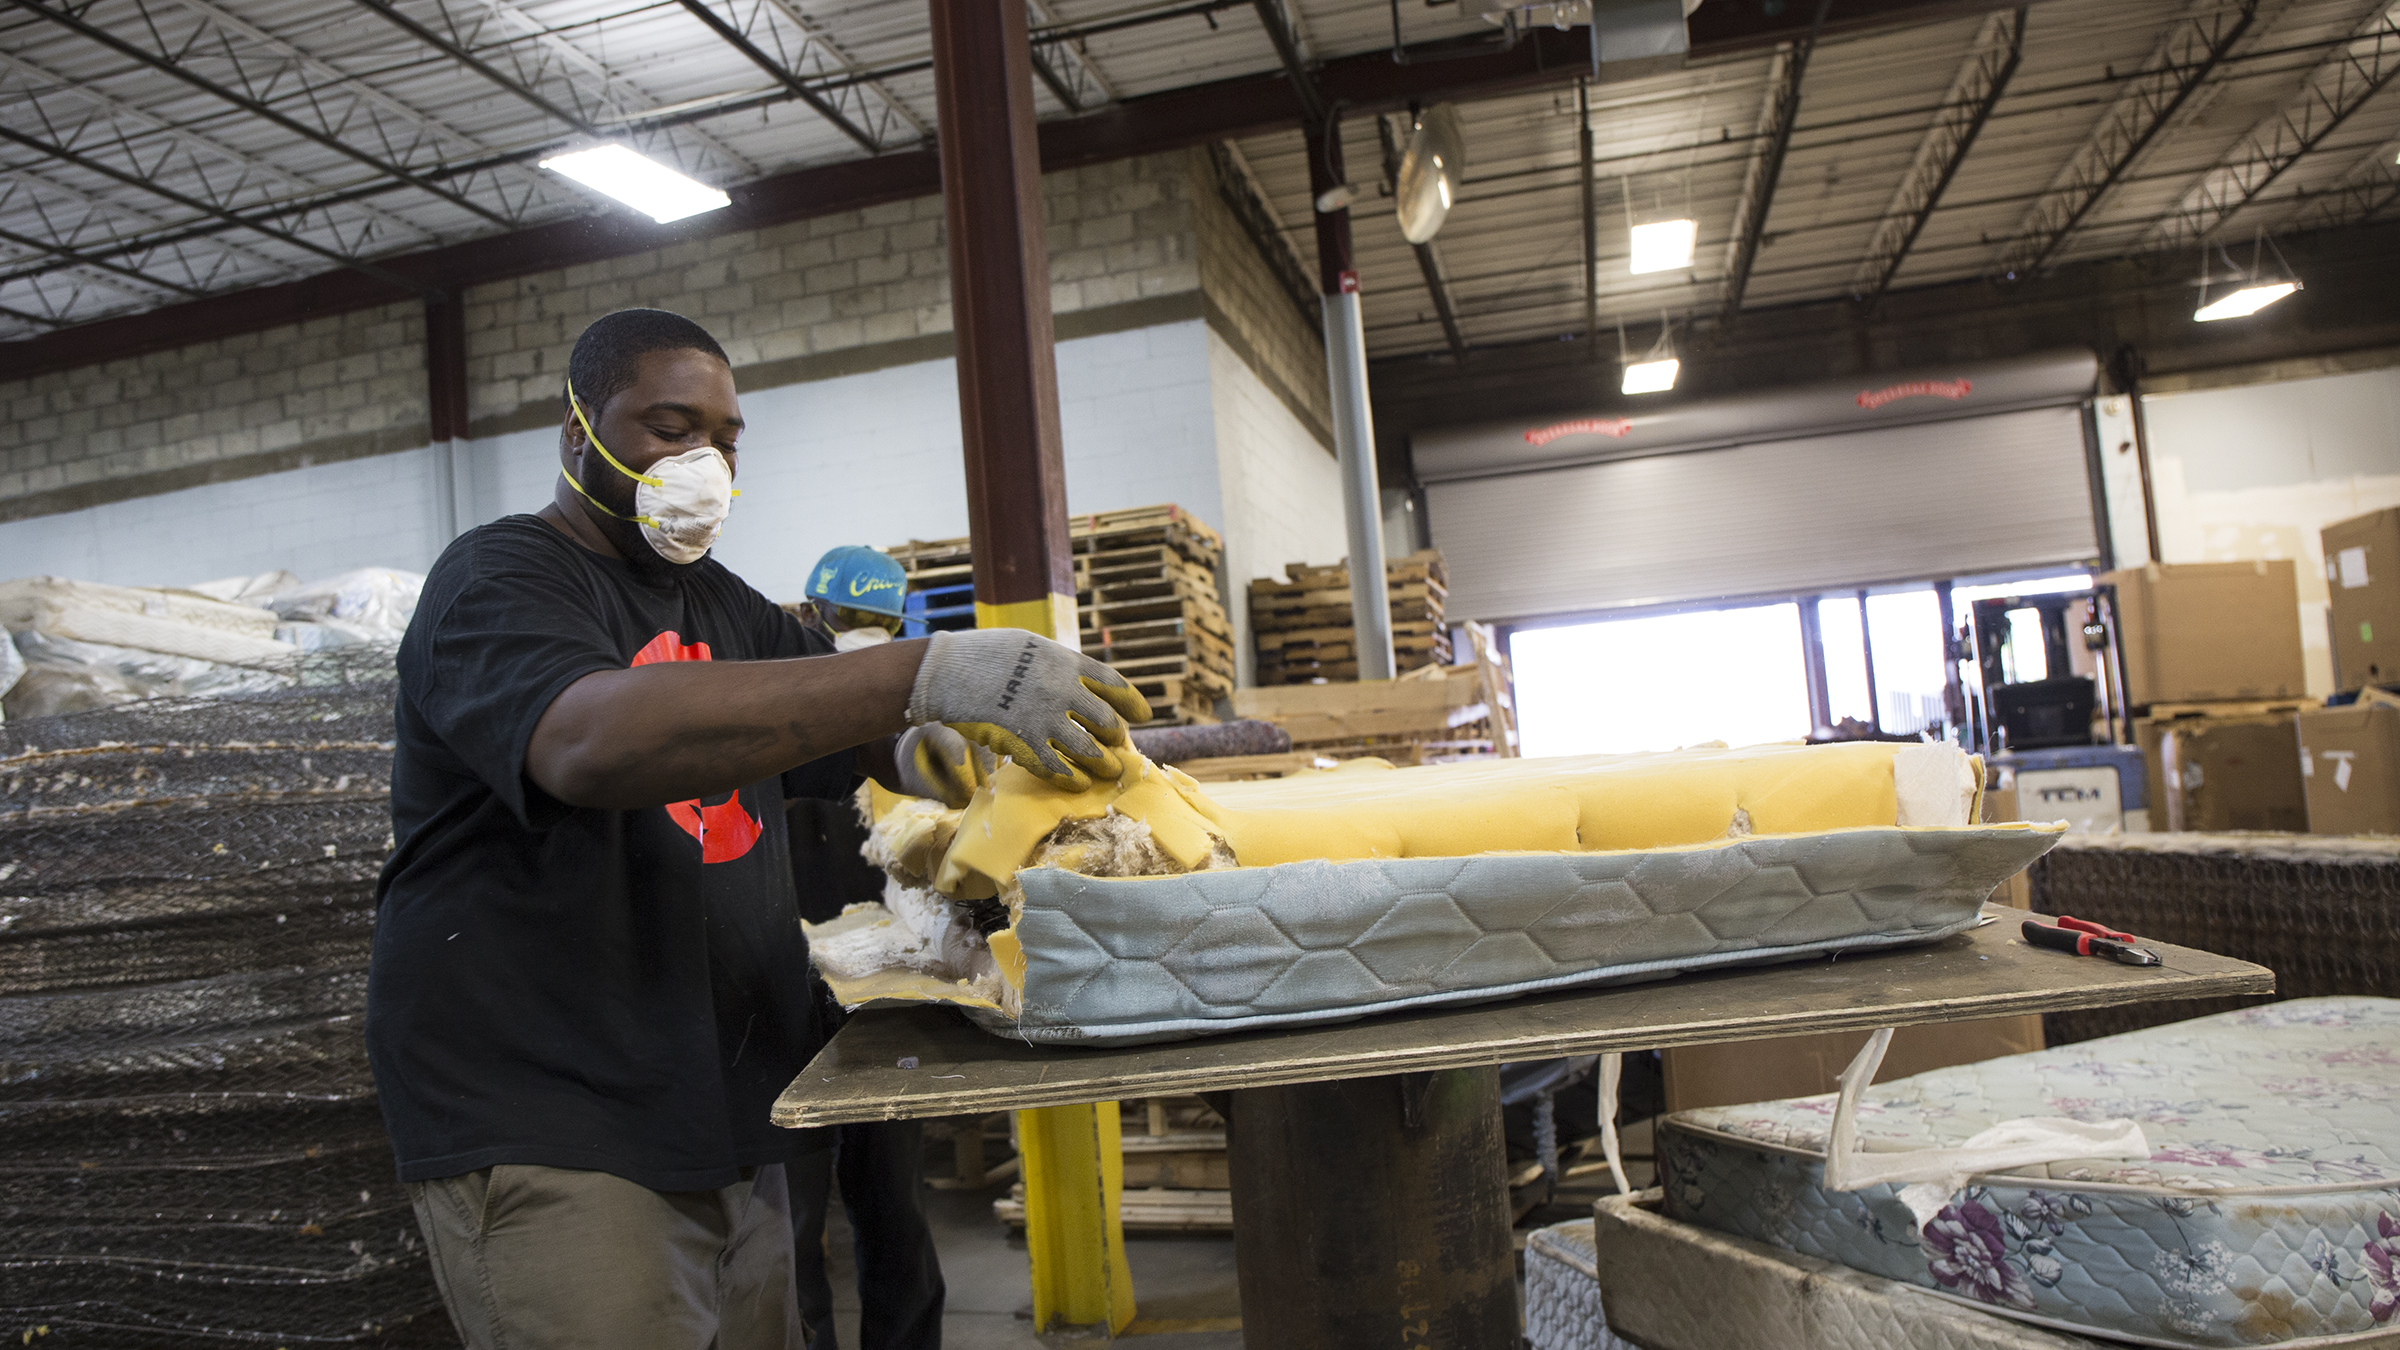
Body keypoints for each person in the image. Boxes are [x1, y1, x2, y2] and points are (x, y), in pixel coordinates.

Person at [367, 308, 1147, 1350]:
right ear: (576, 433)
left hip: (728, 1112)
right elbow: (586, 741)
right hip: (563, 1117)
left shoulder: (722, 606)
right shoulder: (500, 581)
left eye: (726, 439)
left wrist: (939, 753)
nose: (704, 462)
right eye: (668, 427)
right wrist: (923, 673)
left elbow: (833, 735)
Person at [784, 544, 945, 1349]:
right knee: (840, 1206)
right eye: (857, 620)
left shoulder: (896, 715)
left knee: (853, 1201)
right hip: (823, 979)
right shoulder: (792, 707)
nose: (860, 635)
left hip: (852, 977)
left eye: (873, 623)